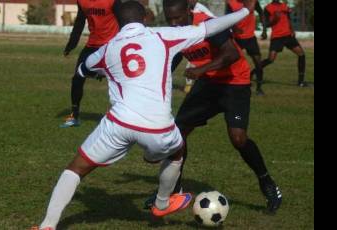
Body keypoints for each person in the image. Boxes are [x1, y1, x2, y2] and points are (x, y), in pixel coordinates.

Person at [32, 1, 253, 229]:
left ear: (117, 22)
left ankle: (47, 225)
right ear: (146, 17)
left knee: (75, 169)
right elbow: (212, 27)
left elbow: (83, 69)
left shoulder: (107, 49)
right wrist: (245, 11)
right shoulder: (163, 36)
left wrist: (99, 70)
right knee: (177, 150)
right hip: (158, 129)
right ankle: (162, 202)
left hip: (118, 125)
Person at [144, 0, 282, 214]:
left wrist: (201, 70)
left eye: (178, 18)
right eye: (170, 20)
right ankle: (173, 190)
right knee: (177, 135)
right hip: (208, 84)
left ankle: (267, 183)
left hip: (235, 82)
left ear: (188, 12)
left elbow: (231, 54)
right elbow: (176, 54)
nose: (175, 24)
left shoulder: (208, 26)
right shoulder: (176, 30)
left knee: (238, 138)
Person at [60, 0, 122, 128]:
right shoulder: (82, 1)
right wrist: (71, 44)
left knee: (119, 81)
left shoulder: (112, 1)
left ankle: (122, 118)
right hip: (92, 46)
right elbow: (79, 22)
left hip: (111, 45)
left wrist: (123, 43)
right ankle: (74, 116)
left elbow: (123, 22)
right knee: (77, 78)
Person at [251, 0, 308, 87]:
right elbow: (265, 23)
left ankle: (300, 82)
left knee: (301, 54)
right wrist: (274, 19)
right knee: (270, 59)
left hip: (288, 35)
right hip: (277, 37)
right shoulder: (268, 8)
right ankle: (253, 72)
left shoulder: (284, 6)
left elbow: (288, 18)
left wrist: (292, 29)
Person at [226, 0, 267, 95]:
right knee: (231, 62)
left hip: (250, 38)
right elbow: (226, 18)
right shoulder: (230, 3)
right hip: (236, 38)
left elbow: (261, 13)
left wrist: (264, 30)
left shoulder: (253, 1)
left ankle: (259, 88)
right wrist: (234, 28)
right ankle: (230, 85)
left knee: (258, 63)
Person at [183, 0, 215, 94]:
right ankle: (188, 85)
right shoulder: (186, 8)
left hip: (200, 37)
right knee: (191, 62)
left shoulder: (199, 7)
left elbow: (212, 17)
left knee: (196, 62)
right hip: (191, 37)